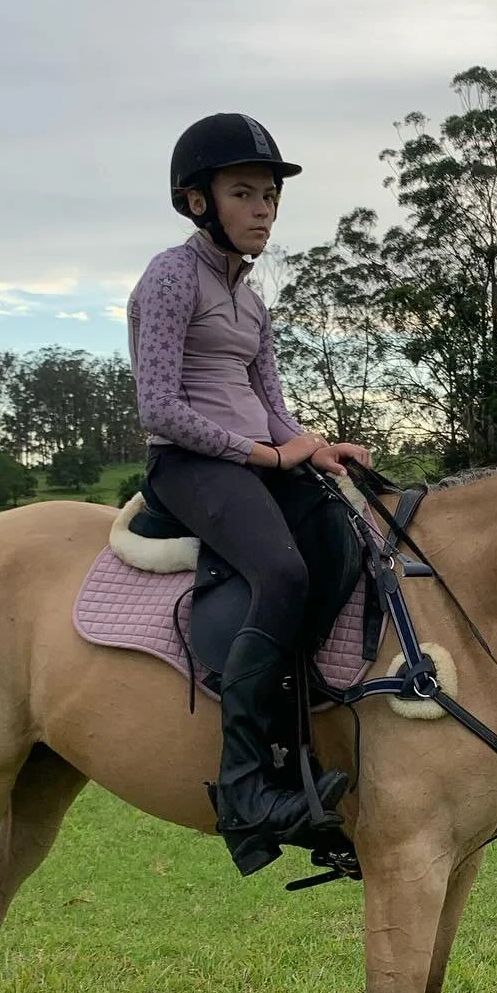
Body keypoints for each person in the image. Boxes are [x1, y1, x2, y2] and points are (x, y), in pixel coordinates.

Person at [126, 113, 370, 875]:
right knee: (283, 572)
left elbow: (271, 400)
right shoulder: (171, 276)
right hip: (189, 465)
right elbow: (158, 407)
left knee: (342, 544)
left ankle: (300, 742)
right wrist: (263, 454)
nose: (263, 208)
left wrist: (315, 447)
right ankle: (243, 790)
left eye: (269, 195)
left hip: (253, 460)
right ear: (198, 201)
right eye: (244, 193)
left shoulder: (252, 299)